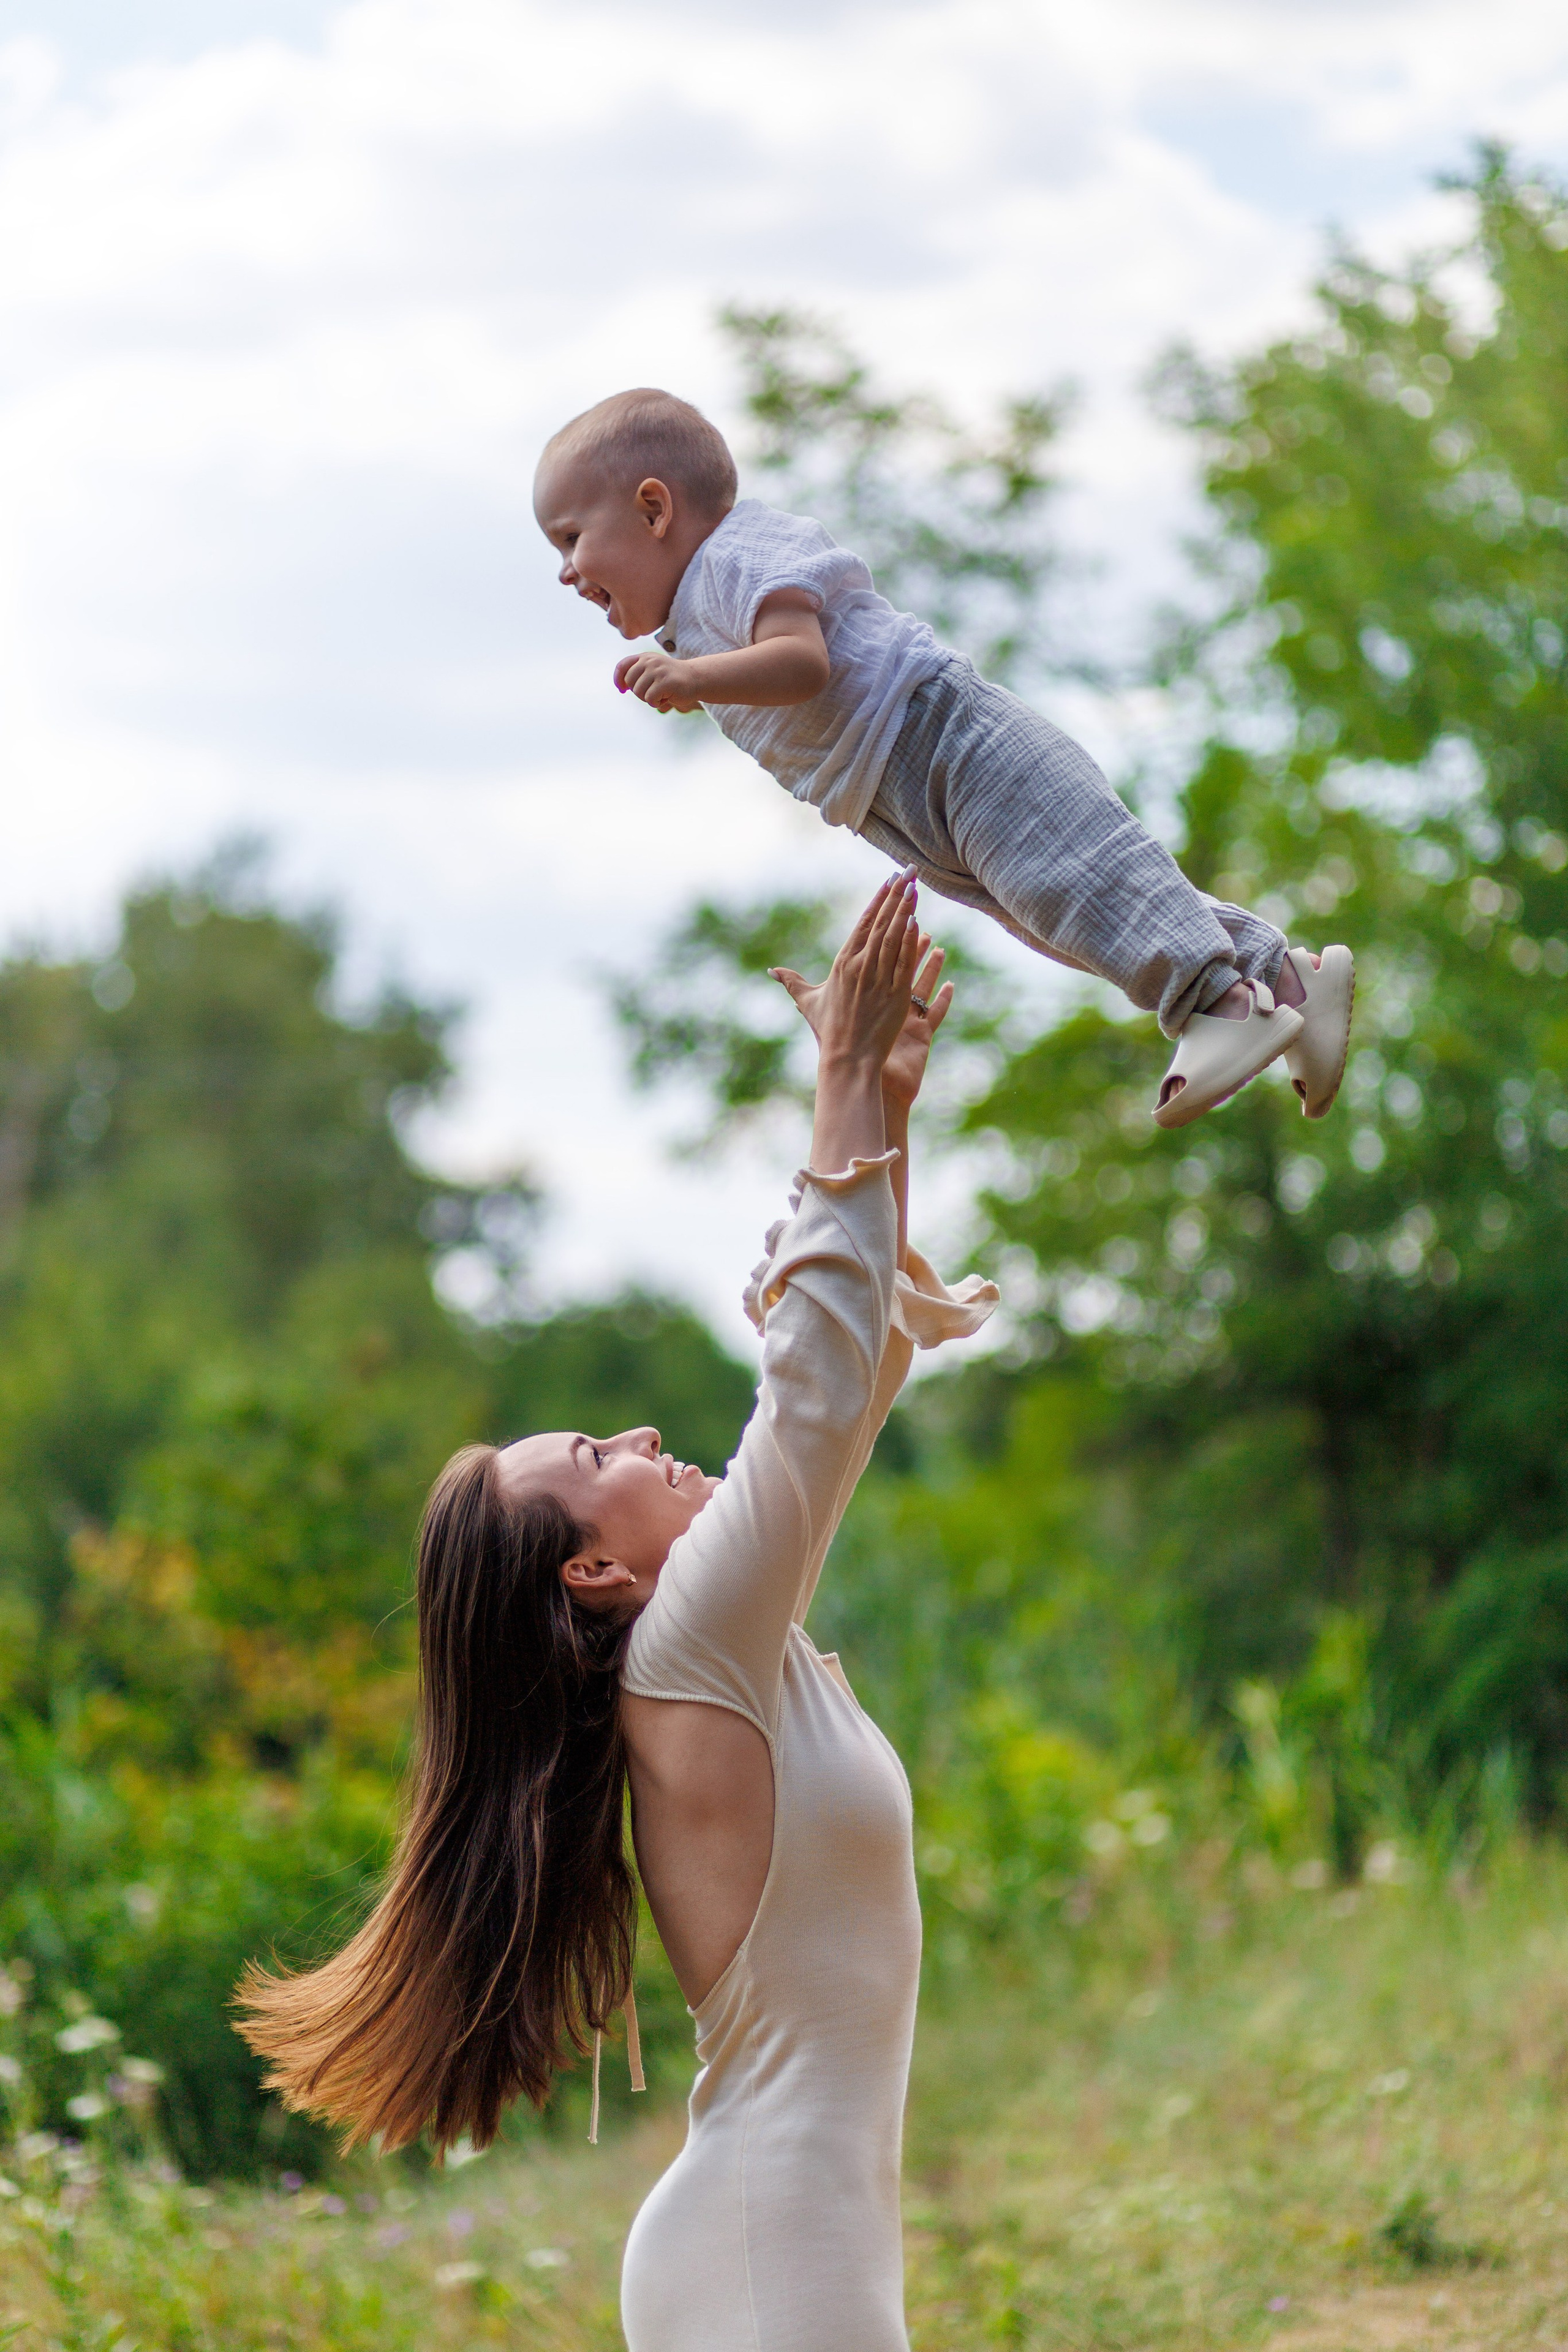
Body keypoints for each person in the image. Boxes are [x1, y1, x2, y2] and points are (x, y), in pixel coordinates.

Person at [235, 872, 998, 2352]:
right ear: (591, 1570)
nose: (644, 1441)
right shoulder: (685, 1658)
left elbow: (854, 1375)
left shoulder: (723, 1652)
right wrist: (838, 1087)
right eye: (597, 1460)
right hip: (771, 2265)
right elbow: (816, 1392)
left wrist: (878, 1110)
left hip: (776, 2250)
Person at [533, 385, 1356, 1130]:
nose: (567, 574)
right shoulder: (694, 609)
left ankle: (1220, 1003)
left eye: (572, 539)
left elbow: (803, 662)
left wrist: (692, 676)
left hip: (938, 734)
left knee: (1071, 877)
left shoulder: (736, 560)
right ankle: (1283, 979)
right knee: (1056, 913)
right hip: (890, 799)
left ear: (653, 508)